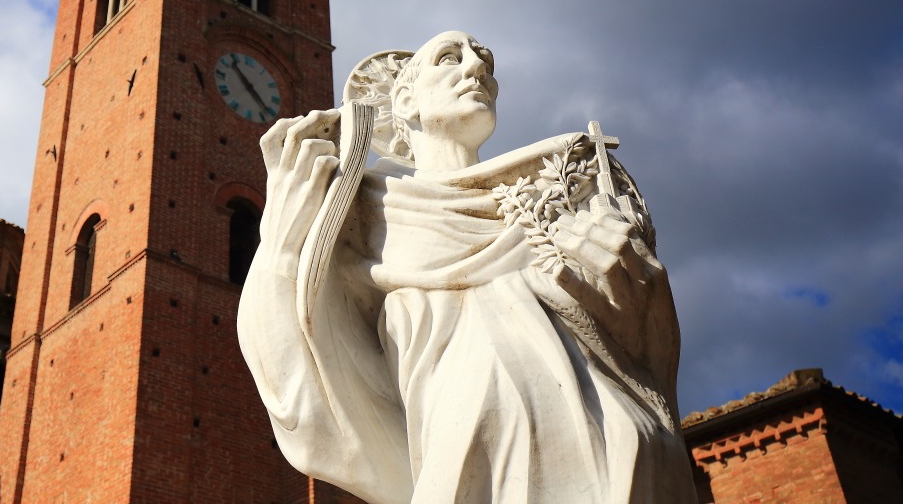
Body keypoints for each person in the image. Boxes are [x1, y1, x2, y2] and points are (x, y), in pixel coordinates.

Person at [237, 31, 694, 503]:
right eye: (450, 58)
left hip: (617, 451)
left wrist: (634, 284)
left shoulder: (555, 195)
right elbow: (293, 364)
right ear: (406, 99)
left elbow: (636, 350)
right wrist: (282, 236)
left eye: (485, 62)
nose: (478, 69)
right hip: (466, 460)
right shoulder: (363, 213)